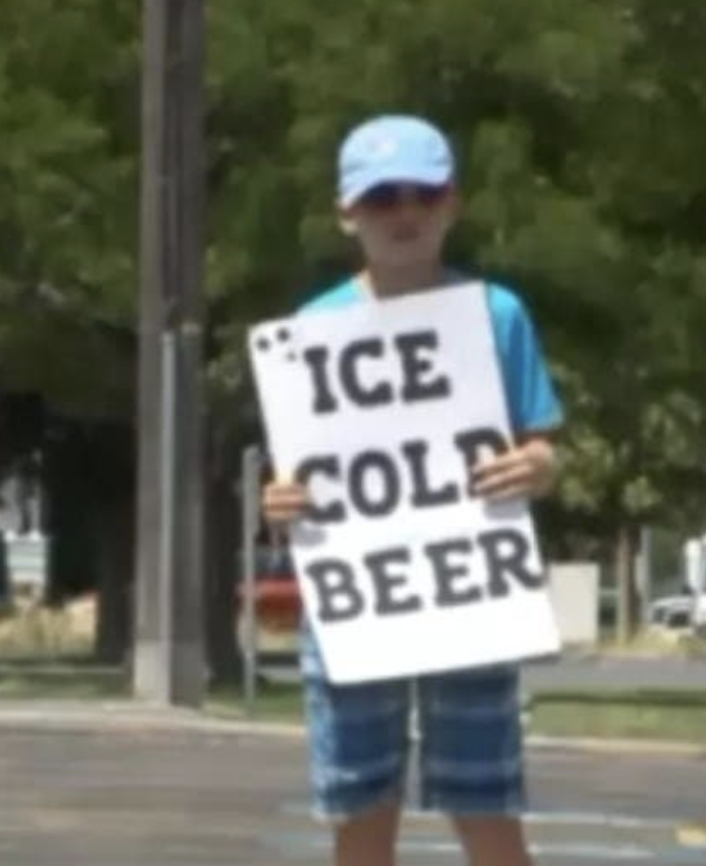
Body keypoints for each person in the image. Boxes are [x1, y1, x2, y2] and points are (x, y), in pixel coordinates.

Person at [261, 114, 564, 866]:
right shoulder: (311, 329)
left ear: (452, 203)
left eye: (423, 195)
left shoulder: (497, 315)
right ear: (347, 212)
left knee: (487, 801)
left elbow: (543, 445)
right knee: (360, 805)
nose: (404, 214)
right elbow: (297, 482)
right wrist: (280, 504)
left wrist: (538, 467)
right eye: (382, 197)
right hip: (357, 601)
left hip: (471, 593)